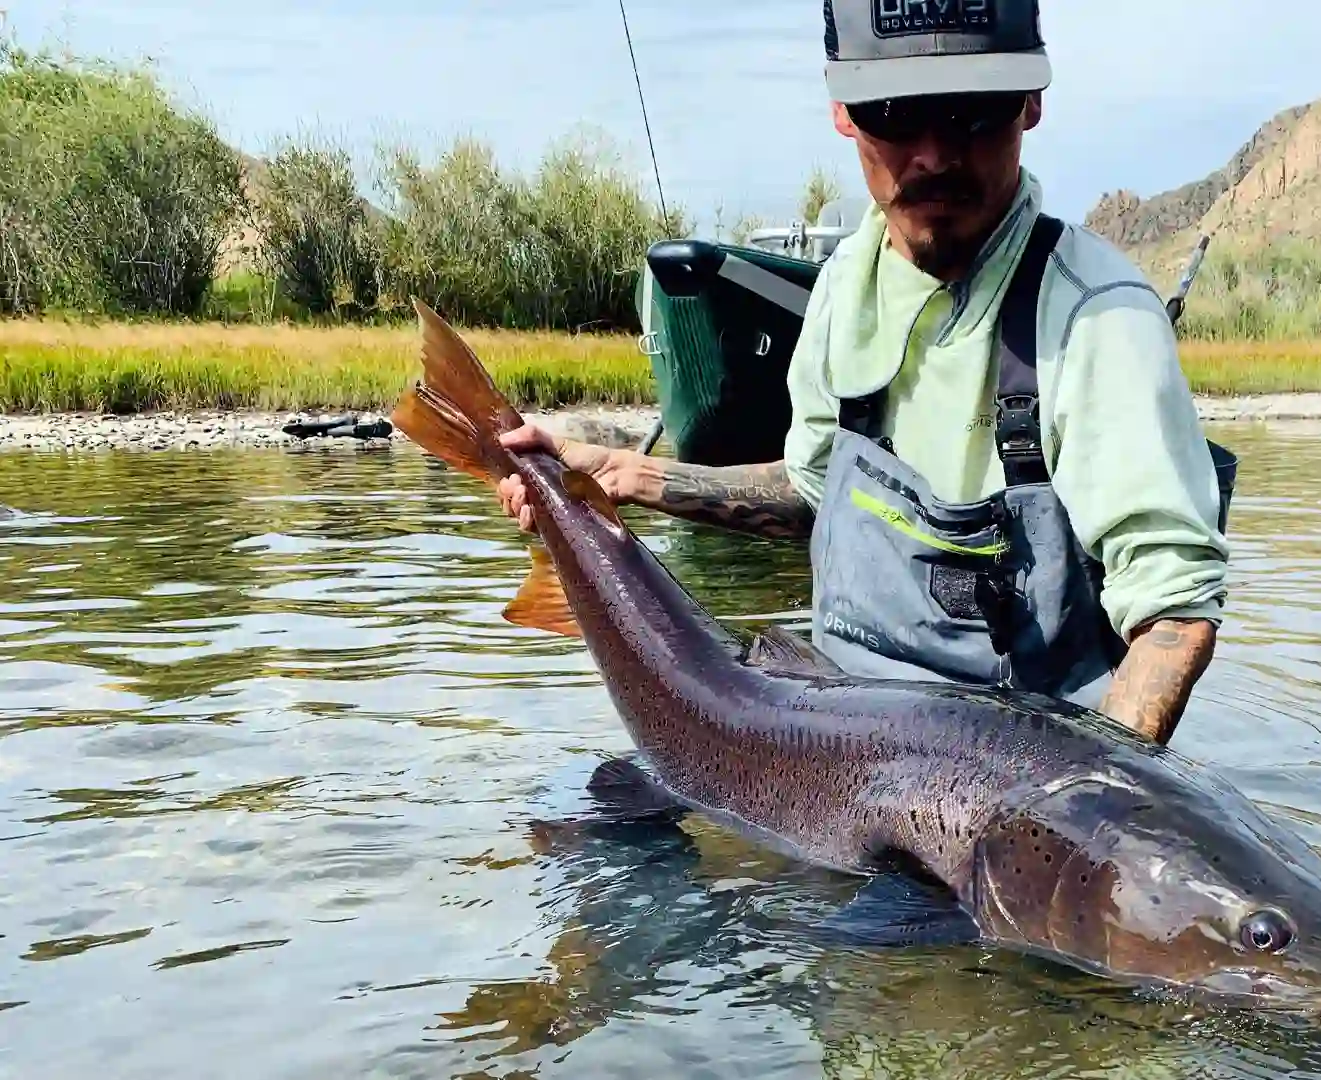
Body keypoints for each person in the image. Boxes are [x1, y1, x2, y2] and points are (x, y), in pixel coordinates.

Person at [496, 0, 1231, 745]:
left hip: (1019, 786)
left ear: (1032, 104)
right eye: (896, 113)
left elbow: (1173, 615)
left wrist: (1086, 817)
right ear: (843, 111)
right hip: (831, 747)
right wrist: (620, 477)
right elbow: (813, 492)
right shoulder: (845, 284)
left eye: (974, 112)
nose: (936, 155)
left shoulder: (1101, 319)